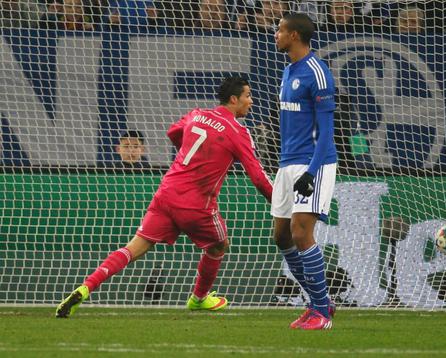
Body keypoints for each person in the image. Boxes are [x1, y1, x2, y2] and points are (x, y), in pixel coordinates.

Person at [55, 76, 273, 318]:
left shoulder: (196, 114)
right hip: (196, 205)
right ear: (234, 99)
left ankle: (86, 287)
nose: (251, 102)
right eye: (248, 96)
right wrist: (280, 204)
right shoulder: (238, 132)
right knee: (219, 245)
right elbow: (258, 177)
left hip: (167, 193)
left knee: (134, 247)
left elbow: (173, 132)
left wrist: (193, 150)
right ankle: (199, 298)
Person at [272, 13, 337, 330]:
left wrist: (311, 172)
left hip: (315, 162)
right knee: (281, 235)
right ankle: (318, 300)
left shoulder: (317, 72)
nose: (276, 34)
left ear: (295, 35)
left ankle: (321, 311)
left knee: (301, 233)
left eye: (281, 30)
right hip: (287, 163)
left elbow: (327, 131)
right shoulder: (288, 71)